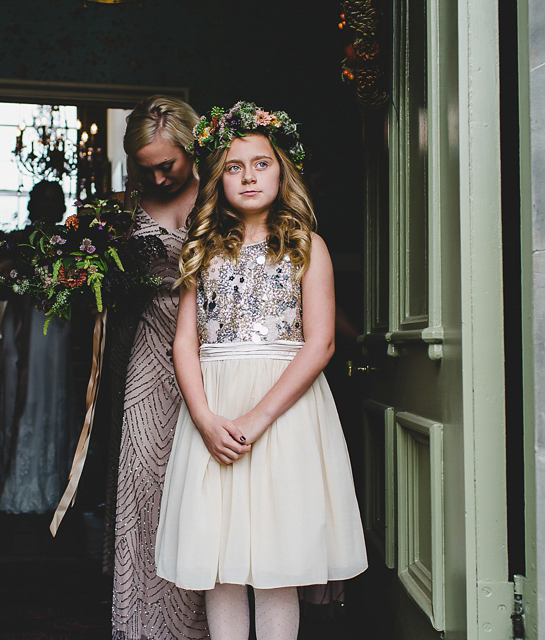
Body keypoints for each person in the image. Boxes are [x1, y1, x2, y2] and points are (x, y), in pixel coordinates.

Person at [155, 101, 368, 640]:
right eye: (233, 166)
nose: (248, 176)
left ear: (283, 170)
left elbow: (319, 344)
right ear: (218, 179)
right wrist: (205, 418)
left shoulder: (306, 246)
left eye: (261, 163)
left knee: (278, 562)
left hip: (283, 412)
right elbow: (184, 342)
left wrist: (257, 417)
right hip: (216, 409)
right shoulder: (201, 250)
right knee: (222, 563)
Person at [105, 95, 208, 640]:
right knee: (146, 482)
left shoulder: (224, 197)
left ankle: (205, 624)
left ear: (192, 149)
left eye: (167, 164)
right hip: (149, 350)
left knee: (202, 487)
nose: (158, 177)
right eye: (146, 169)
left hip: (216, 352)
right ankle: (144, 622)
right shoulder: (124, 210)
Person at [0, 180, 81, 514]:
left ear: (61, 206)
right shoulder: (16, 241)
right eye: (41, 201)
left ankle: (53, 480)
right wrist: (18, 278)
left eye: (53, 201)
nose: (47, 207)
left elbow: (79, 290)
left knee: (49, 391)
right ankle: (15, 478)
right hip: (20, 324)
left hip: (53, 326)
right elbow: (1, 290)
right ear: (31, 205)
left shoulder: (72, 245)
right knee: (19, 393)